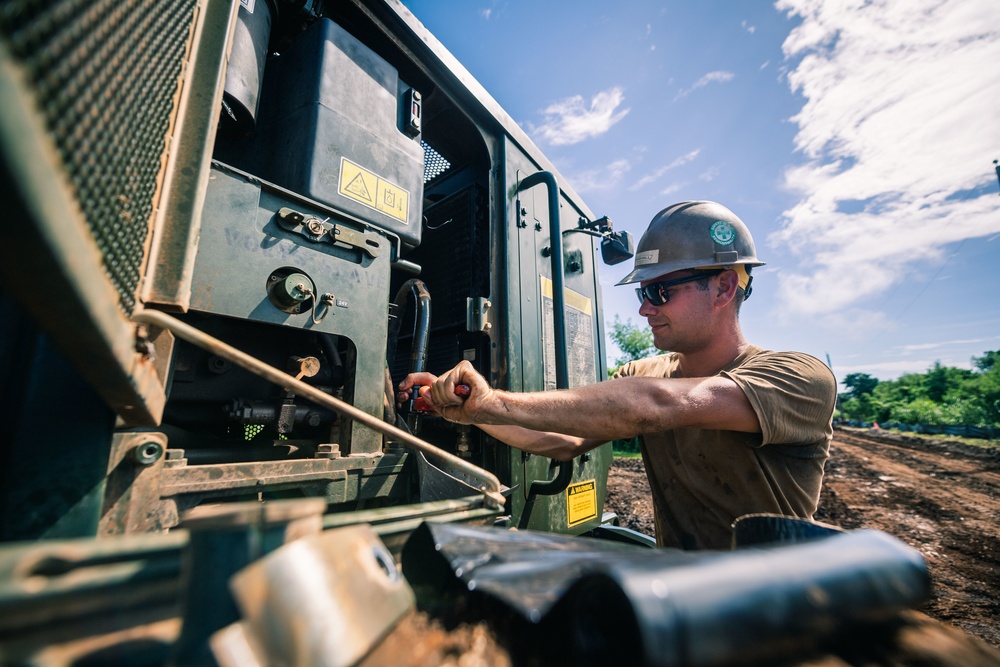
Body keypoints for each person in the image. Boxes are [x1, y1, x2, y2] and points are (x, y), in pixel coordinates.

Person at [399, 201, 837, 550]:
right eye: (644, 293)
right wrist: (474, 411)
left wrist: (496, 400)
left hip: (776, 609)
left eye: (659, 290)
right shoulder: (643, 372)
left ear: (724, 287)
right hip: (682, 591)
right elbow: (566, 441)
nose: (645, 308)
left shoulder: (799, 378)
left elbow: (654, 405)